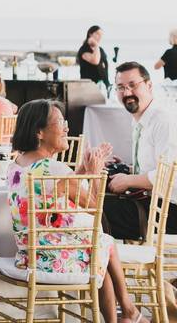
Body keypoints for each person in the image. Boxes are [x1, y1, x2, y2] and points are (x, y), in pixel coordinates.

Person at [8, 100, 141, 323]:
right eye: (61, 123)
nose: (66, 129)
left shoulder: (18, 163)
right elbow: (95, 210)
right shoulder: (54, 168)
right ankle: (128, 311)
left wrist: (82, 171)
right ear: (39, 132)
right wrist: (95, 173)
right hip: (51, 259)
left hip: (27, 254)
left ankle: (125, 314)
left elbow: (60, 188)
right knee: (104, 243)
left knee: (97, 248)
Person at [103, 61, 177, 241]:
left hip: (168, 212)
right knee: (95, 198)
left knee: (95, 212)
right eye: (121, 87)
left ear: (149, 85)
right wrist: (128, 169)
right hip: (150, 202)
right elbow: (156, 166)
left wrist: (128, 180)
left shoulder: (163, 120)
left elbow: (169, 176)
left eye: (133, 85)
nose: (127, 93)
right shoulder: (141, 119)